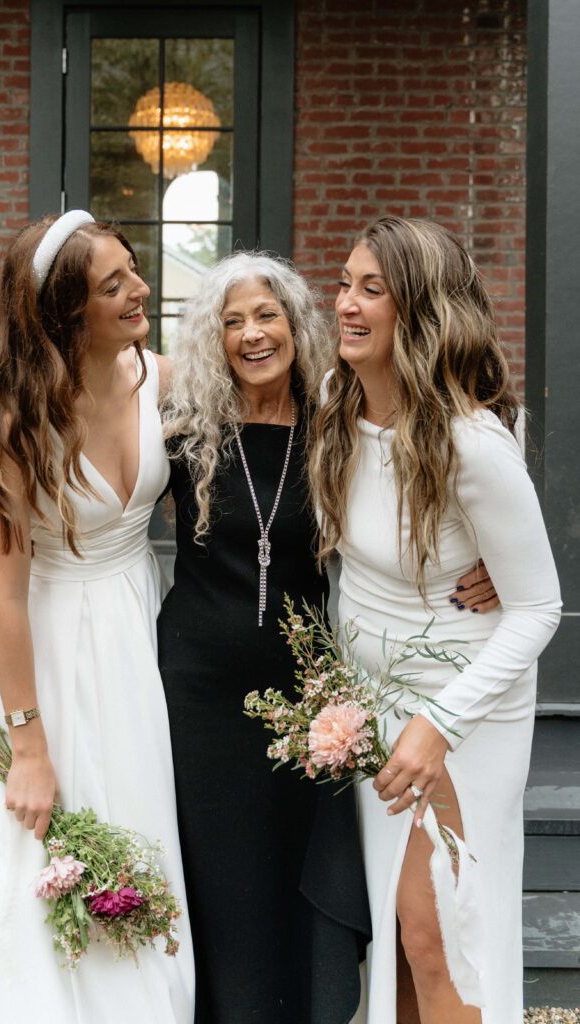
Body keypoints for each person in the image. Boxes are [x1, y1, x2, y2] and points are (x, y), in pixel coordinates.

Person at [156, 251, 493, 1024]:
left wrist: (496, 563)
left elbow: (464, 424)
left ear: (294, 324)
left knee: (296, 858)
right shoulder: (183, 427)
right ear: (212, 337)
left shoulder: (340, 419)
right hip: (198, 688)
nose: (251, 335)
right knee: (219, 867)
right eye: (232, 321)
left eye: (266, 315)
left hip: (310, 690)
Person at [0, 211, 194, 1023]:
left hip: (140, 629)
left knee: (139, 820)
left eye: (132, 269)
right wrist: (27, 745)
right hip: (49, 647)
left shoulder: (157, 378)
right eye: (113, 285)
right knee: (36, 850)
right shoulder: (15, 426)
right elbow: (4, 597)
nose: (140, 289)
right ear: (67, 313)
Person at [309, 216, 562, 1024]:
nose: (346, 304)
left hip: (462, 710)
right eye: (344, 283)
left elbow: (537, 608)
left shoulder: (472, 444)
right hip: (371, 705)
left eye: (370, 290)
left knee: (438, 930)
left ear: (417, 311)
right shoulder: (333, 403)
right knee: (398, 935)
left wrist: (441, 723)